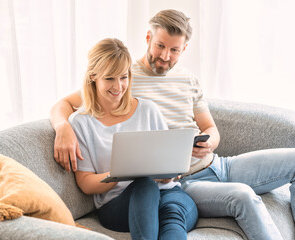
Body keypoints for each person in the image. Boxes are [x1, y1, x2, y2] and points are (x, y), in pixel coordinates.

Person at [50, 9, 295, 240]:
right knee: (241, 197)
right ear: (148, 38)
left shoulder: (185, 81)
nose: (165, 56)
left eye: (174, 50)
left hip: (211, 166)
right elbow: (70, 103)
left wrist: (206, 143)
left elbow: (210, 129)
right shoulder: (123, 75)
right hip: (184, 181)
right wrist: (62, 127)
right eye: (160, 46)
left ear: (184, 48)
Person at [68, 38, 198, 240]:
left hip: (166, 194)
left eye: (123, 77)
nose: (118, 86)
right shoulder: (81, 122)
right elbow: (85, 183)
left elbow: (168, 168)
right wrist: (118, 173)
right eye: (110, 78)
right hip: (119, 203)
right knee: (144, 184)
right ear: (93, 77)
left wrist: (169, 172)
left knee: (172, 217)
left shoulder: (148, 110)